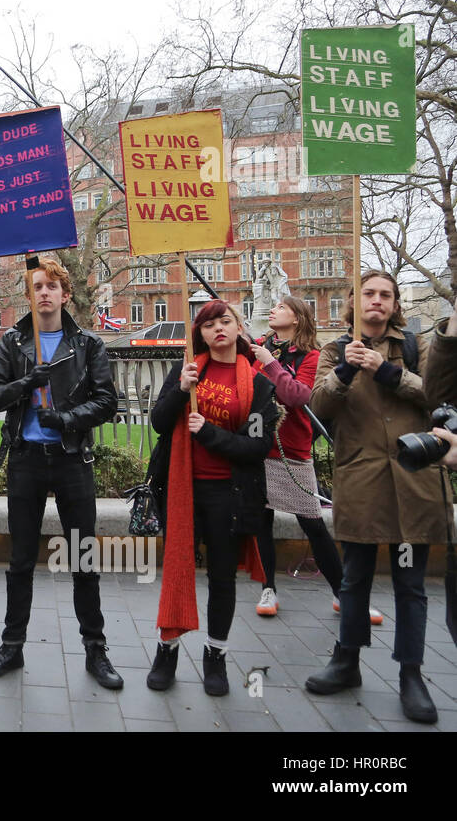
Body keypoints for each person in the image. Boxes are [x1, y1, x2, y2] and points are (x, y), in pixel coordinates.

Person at [305, 271, 453, 723]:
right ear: (354, 301)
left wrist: (388, 372)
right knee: (355, 579)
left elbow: (438, 395)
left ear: (394, 303)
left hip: (415, 486)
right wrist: (346, 370)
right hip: (363, 485)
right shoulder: (333, 351)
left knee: (410, 585)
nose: (376, 301)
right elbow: (315, 409)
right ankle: (346, 660)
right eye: (368, 293)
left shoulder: (415, 346)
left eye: (385, 294)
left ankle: (411, 673)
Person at [0, 259, 122, 689]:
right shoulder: (12, 342)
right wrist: (27, 382)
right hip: (25, 459)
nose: (44, 293)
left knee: (83, 556)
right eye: (37, 286)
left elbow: (106, 402)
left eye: (52, 286)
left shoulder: (88, 345)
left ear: (65, 295)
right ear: (29, 295)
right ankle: (12, 644)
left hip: (70, 458)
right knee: (20, 558)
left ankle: (96, 649)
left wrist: (64, 418)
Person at [147, 300, 278, 697]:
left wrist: (208, 433)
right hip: (183, 489)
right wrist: (181, 390)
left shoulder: (258, 385)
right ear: (199, 333)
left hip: (230, 495)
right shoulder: (185, 369)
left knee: (222, 577)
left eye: (226, 321)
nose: (218, 329)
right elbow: (158, 423)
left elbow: (256, 447)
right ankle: (166, 650)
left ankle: (215, 655)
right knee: (177, 568)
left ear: (239, 328)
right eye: (209, 324)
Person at [250, 297, 381, 623]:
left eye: (281, 307)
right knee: (259, 522)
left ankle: (344, 595)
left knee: (313, 525)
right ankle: (268, 588)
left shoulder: (311, 356)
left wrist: (269, 363)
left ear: (297, 319)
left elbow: (298, 396)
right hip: (257, 449)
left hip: (292, 452)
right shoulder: (261, 348)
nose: (273, 310)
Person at [426, 311, 457, 407]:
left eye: (385, 295)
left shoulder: (414, 343)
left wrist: (391, 373)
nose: (378, 301)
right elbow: (437, 402)